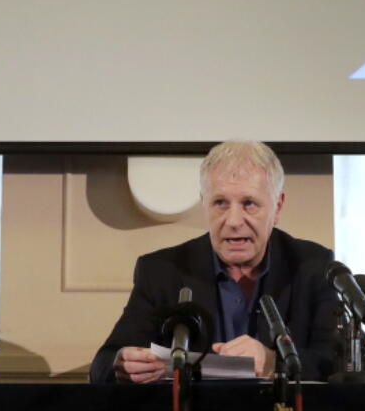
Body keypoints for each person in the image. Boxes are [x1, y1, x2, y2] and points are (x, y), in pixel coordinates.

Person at [89, 140, 340, 383]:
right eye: (220, 203)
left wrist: (273, 361)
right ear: (204, 204)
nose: (233, 221)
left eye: (249, 203)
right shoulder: (161, 271)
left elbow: (335, 364)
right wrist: (122, 365)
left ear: (277, 207)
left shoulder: (313, 266)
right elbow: (103, 365)